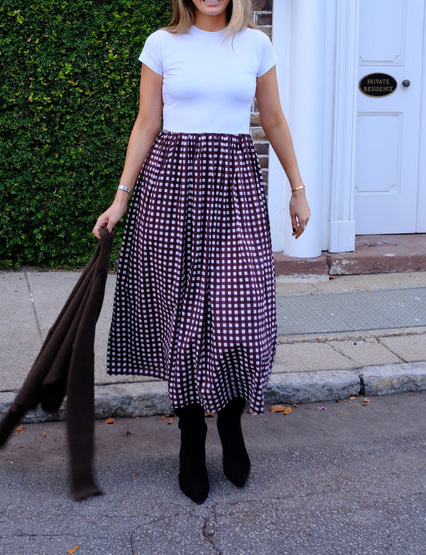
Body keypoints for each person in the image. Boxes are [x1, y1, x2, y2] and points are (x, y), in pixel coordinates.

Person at [93, 0, 310, 504]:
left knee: (242, 316)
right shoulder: (162, 43)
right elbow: (147, 122)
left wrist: (297, 188)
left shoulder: (256, 44)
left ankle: (230, 424)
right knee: (181, 324)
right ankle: (192, 434)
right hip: (171, 189)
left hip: (234, 187)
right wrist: (121, 197)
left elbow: (272, 118)